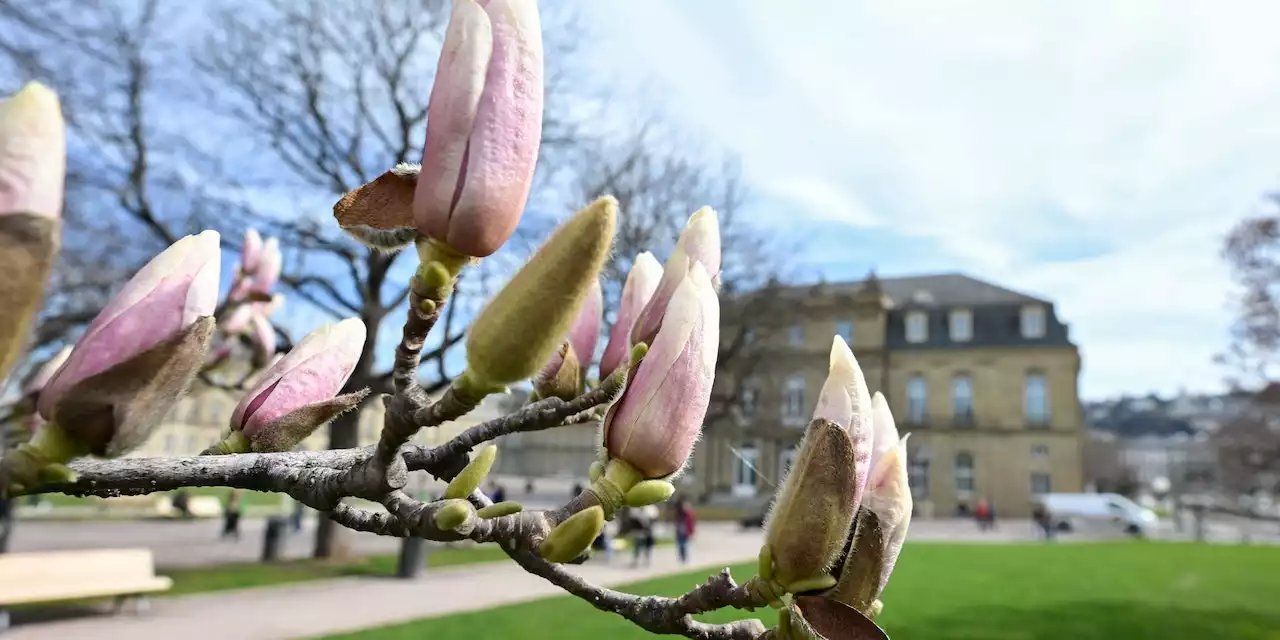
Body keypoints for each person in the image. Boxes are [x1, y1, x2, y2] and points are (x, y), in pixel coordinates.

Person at [673, 497, 696, 565]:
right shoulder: (679, 514)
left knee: (685, 546)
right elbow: (676, 523)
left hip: (686, 533)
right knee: (680, 546)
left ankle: (685, 559)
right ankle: (682, 558)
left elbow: (691, 524)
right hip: (680, 533)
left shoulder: (689, 515)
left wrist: (691, 533)